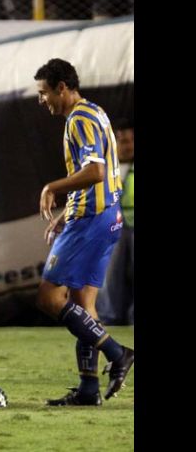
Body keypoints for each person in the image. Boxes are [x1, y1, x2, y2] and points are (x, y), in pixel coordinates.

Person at [34, 58, 134, 406]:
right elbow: (97, 175)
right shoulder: (95, 112)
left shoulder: (79, 119)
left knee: (49, 298)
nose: (41, 100)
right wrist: (67, 210)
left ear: (62, 87)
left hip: (92, 220)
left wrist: (53, 187)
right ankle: (89, 389)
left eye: (44, 92)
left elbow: (95, 171)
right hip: (103, 215)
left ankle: (117, 353)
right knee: (83, 305)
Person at [97, 125, 134, 325]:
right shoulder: (107, 169)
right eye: (124, 142)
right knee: (110, 275)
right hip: (114, 227)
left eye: (131, 141)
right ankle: (108, 317)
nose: (129, 146)